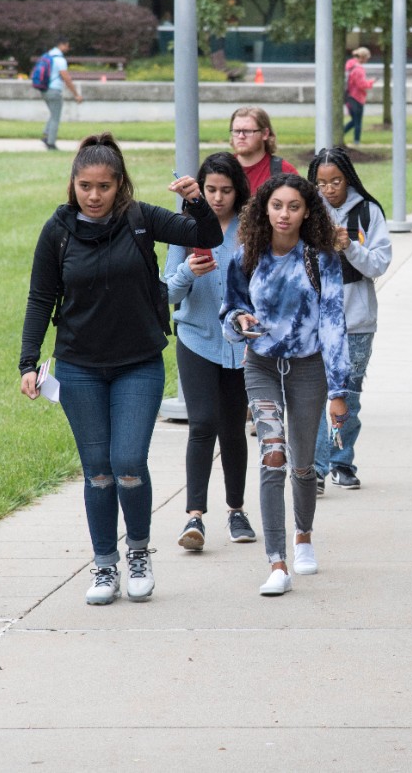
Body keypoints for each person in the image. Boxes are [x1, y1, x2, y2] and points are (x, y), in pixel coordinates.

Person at [19, 133, 222, 605]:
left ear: (120, 185)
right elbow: (40, 298)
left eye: (104, 186)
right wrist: (29, 361)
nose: (94, 195)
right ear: (73, 184)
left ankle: (138, 553)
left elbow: (206, 236)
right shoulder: (59, 230)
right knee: (98, 473)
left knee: (128, 463)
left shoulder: (140, 219)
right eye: (85, 185)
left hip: (137, 363)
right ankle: (105, 564)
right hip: (79, 367)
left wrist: (195, 201)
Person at [221, 174, 351, 597]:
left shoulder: (321, 258)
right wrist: (239, 322)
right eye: (277, 205)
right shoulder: (245, 256)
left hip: (308, 367)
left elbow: (334, 324)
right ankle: (276, 562)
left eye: (294, 206)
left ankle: (304, 536)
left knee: (302, 463)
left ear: (307, 211)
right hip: (260, 364)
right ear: (264, 208)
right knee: (273, 453)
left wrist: (338, 390)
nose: (284, 214)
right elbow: (231, 312)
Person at [164, 153, 258, 552]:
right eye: (210, 190)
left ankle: (236, 510)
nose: (217, 198)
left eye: (226, 190)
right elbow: (166, 293)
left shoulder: (250, 231)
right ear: (198, 191)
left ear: (238, 192)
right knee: (202, 423)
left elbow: (262, 284)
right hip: (196, 339)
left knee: (233, 428)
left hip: (239, 345)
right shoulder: (184, 229)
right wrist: (188, 270)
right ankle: (194, 517)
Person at [308, 147, 393, 493]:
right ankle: (315, 467)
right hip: (314, 319)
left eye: (336, 181)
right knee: (316, 395)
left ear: (348, 178)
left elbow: (379, 264)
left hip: (357, 320)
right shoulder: (306, 210)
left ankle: (342, 462)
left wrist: (349, 247)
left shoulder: (368, 211)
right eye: (321, 183)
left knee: (349, 396)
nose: (328, 189)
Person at [229, 106, 297, 192]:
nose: (241, 136)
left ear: (265, 134)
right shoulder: (222, 168)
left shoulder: (284, 171)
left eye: (247, 131)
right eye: (236, 131)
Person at [39, 38, 83, 151]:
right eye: (67, 46)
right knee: (55, 117)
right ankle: (51, 143)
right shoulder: (59, 59)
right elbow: (66, 78)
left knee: (53, 114)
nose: (68, 48)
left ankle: (46, 135)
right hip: (54, 90)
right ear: (62, 45)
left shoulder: (48, 55)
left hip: (44, 89)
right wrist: (76, 94)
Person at [343, 47, 376, 146]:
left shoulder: (350, 66)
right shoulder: (358, 69)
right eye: (367, 58)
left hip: (349, 96)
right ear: (363, 57)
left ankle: (339, 134)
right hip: (357, 97)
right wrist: (371, 81)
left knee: (354, 120)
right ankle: (356, 141)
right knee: (357, 121)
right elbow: (361, 85)